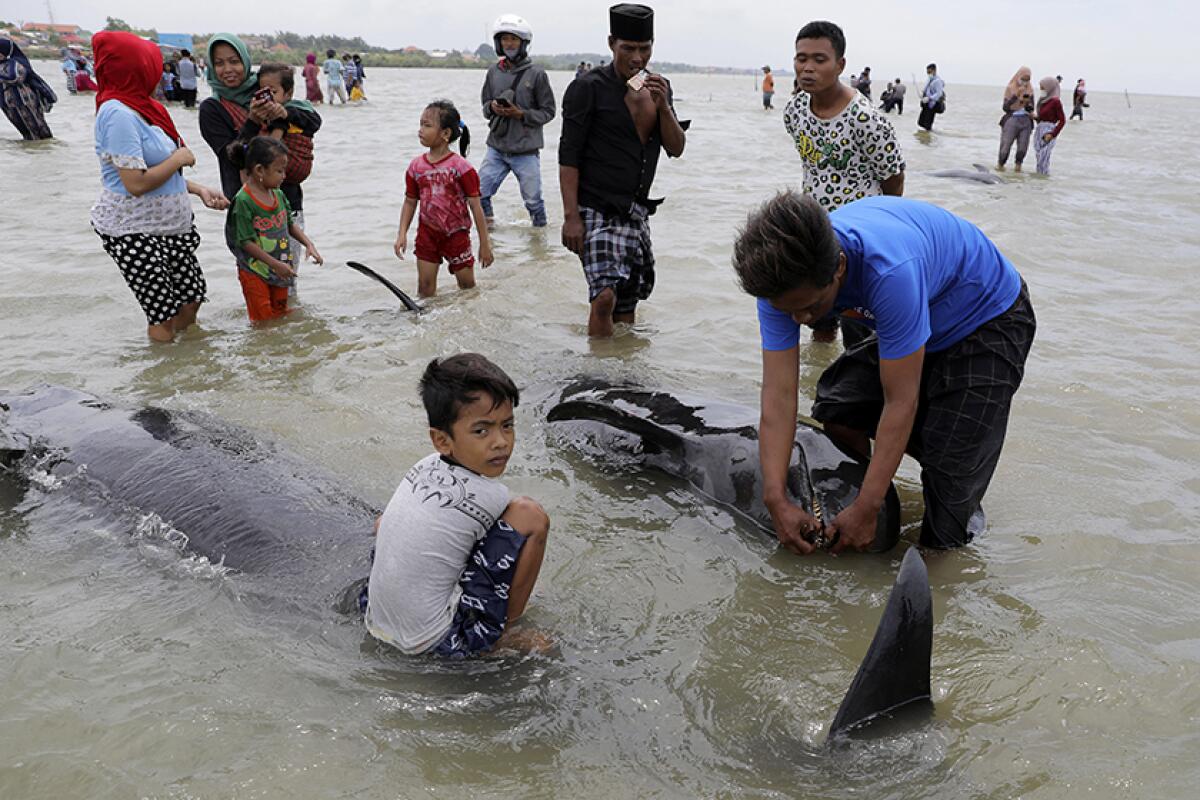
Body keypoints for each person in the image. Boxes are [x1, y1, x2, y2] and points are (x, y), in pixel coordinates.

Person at [732, 192, 1036, 553]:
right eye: (789, 312)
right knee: (840, 407)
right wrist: (775, 497)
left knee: (946, 506)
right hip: (919, 318)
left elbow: (900, 402)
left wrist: (868, 506)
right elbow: (778, 397)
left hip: (987, 318)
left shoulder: (888, 271)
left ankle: (949, 486)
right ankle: (867, 507)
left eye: (811, 307)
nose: (800, 320)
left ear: (840, 268)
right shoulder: (780, 287)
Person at [364, 353, 550, 659]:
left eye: (507, 426)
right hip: (440, 642)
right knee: (530, 517)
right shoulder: (492, 495)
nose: (501, 442)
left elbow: (381, 525)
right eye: (482, 431)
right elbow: (514, 536)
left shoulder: (423, 466)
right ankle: (505, 633)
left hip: (376, 618)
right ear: (442, 440)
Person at [88, 30, 229, 342]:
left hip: (171, 225)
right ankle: (167, 379)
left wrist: (198, 189)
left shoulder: (147, 108)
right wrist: (178, 158)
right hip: (134, 230)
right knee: (162, 313)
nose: (159, 72)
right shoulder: (117, 113)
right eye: (151, 65)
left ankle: (185, 365)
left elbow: (156, 172)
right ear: (134, 69)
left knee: (191, 299)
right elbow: (135, 183)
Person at [559, 3, 687, 337]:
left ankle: (622, 371)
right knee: (603, 296)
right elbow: (568, 156)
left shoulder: (660, 87)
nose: (637, 58)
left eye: (644, 49)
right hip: (595, 206)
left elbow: (676, 148)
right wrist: (571, 216)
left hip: (635, 210)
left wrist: (664, 108)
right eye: (628, 49)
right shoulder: (587, 88)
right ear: (611, 43)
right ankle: (597, 372)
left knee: (628, 301)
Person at [785, 20, 905, 343]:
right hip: (816, 232)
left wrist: (881, 228)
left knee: (861, 336)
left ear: (840, 65)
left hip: (861, 242)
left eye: (819, 60)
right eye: (801, 58)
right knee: (818, 322)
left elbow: (894, 179)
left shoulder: (865, 119)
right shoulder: (795, 110)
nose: (807, 68)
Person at [394, 100, 494, 297]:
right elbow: (410, 202)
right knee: (424, 289)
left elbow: (475, 206)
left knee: (467, 289)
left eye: (427, 125)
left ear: (445, 134)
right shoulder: (416, 167)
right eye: (420, 124)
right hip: (427, 235)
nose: (420, 130)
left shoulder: (461, 168)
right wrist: (402, 234)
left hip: (456, 236)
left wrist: (485, 244)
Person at [227, 136, 323, 322]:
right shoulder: (244, 201)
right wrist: (275, 264)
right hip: (255, 271)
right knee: (262, 321)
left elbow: (289, 224)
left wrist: (308, 244)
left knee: (280, 316)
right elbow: (245, 242)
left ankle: (280, 351)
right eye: (279, 171)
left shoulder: (278, 195)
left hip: (281, 268)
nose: (284, 176)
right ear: (259, 170)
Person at [478, 14, 557, 227]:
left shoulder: (537, 74)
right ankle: (489, 229)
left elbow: (549, 112)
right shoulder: (493, 72)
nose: (509, 44)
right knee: (479, 193)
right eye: (505, 39)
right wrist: (492, 107)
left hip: (526, 151)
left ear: (523, 43)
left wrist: (520, 114)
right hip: (496, 147)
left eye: (513, 39)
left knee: (533, 201)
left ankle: (539, 235)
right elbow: (485, 105)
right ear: (499, 43)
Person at [252, 63, 322, 290]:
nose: (268, 99)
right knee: (263, 275)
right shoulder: (255, 118)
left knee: (287, 273)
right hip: (260, 208)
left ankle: (286, 311)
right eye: (263, 92)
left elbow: (315, 121)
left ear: (288, 94)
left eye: (273, 92)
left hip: (290, 205)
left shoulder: (299, 113)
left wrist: (285, 114)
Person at [0, 37, 56, 140]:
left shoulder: (16, 62)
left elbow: (14, 77)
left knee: (39, 131)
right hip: (8, 105)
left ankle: (43, 152)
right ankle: (33, 153)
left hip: (23, 102)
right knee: (27, 134)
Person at [997, 66, 1035, 171]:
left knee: (1022, 148)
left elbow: (1031, 108)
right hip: (1012, 119)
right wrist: (1016, 96)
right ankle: (1000, 166)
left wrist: (1027, 102)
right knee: (1005, 147)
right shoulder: (1010, 88)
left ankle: (1018, 168)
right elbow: (1005, 107)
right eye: (1023, 79)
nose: (1024, 82)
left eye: (1027, 80)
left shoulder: (1030, 89)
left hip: (1026, 121)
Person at [1033, 75, 1065, 175]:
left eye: (1043, 87)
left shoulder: (1056, 101)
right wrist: (1034, 117)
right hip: (1039, 130)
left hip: (1049, 130)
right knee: (1039, 156)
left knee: (1044, 156)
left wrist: (1052, 134)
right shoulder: (1042, 101)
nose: (1041, 89)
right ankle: (1038, 180)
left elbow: (1062, 120)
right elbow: (1041, 118)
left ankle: (1043, 178)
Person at [918, 63, 944, 131]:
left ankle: (928, 138)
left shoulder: (938, 81)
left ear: (934, 70)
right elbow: (926, 88)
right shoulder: (929, 79)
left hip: (932, 105)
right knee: (920, 122)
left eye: (929, 72)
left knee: (927, 124)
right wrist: (922, 93)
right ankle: (927, 135)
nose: (928, 73)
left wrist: (929, 98)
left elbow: (939, 94)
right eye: (927, 72)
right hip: (926, 104)